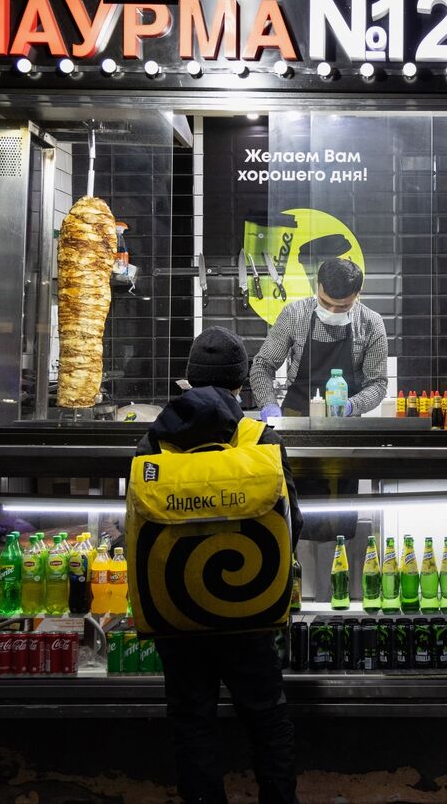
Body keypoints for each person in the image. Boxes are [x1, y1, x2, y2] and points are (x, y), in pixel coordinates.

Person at [136, 326, 303, 804]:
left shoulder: (153, 446)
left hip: (175, 608)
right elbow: (294, 523)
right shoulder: (260, 439)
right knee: (267, 718)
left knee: (192, 722)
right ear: (240, 383)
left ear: (188, 379)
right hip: (247, 607)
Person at [250, 257, 388, 418]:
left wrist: (350, 406)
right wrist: (269, 404)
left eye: (343, 306)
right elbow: (262, 365)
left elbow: (377, 383)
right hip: (295, 416)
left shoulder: (371, 323)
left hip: (345, 422)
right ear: (317, 283)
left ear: (358, 293)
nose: (332, 311)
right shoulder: (295, 314)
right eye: (325, 302)